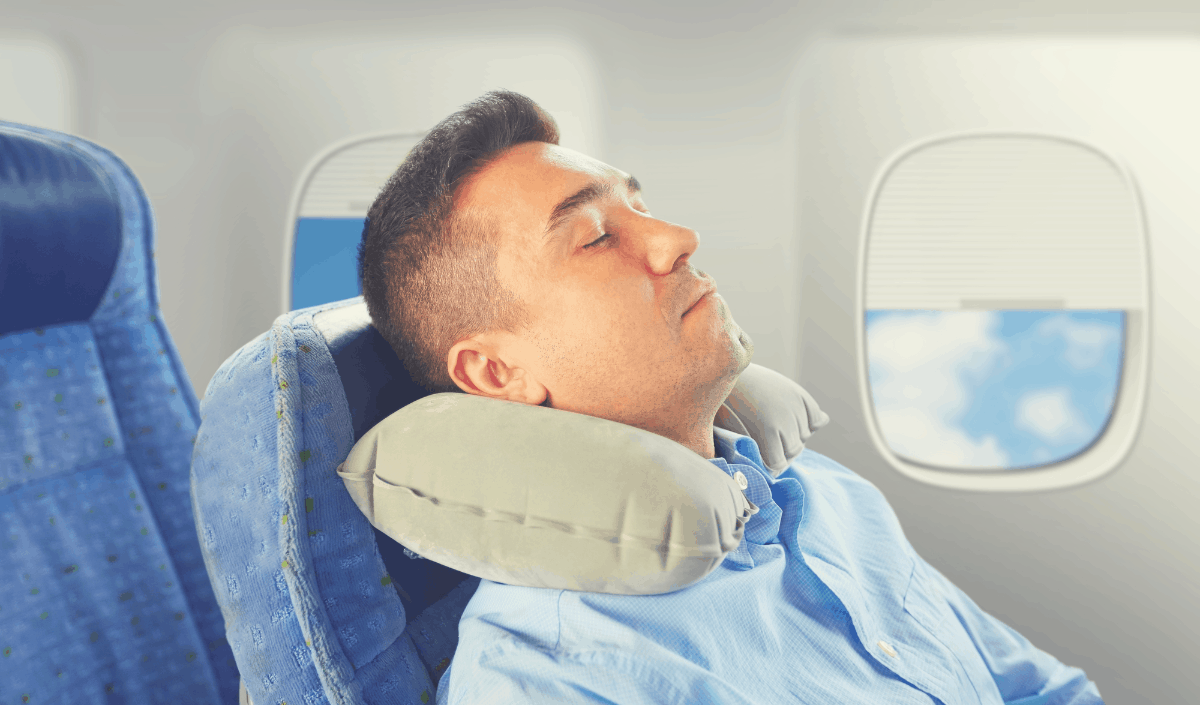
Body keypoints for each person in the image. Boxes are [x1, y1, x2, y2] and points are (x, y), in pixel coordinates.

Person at [358, 90, 1105, 704]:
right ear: (496, 374)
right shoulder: (553, 675)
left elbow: (1046, 692)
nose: (678, 236)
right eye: (593, 237)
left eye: (642, 205)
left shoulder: (826, 494)